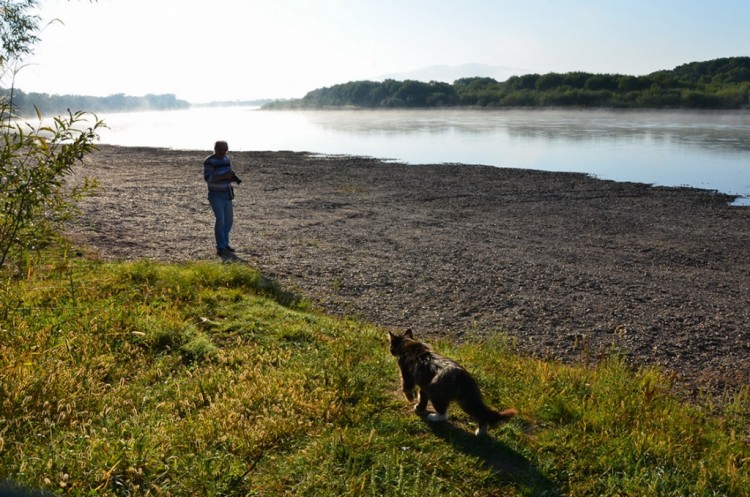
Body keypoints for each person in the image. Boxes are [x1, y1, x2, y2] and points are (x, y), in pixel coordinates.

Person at [203, 140, 242, 256]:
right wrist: (223, 176)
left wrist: (230, 178)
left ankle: (225, 244)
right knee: (220, 219)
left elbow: (226, 175)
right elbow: (208, 178)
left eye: (225, 150)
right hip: (215, 194)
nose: (223, 152)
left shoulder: (226, 159)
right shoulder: (209, 161)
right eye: (221, 150)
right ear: (215, 149)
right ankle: (220, 246)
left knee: (229, 221)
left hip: (227, 193)